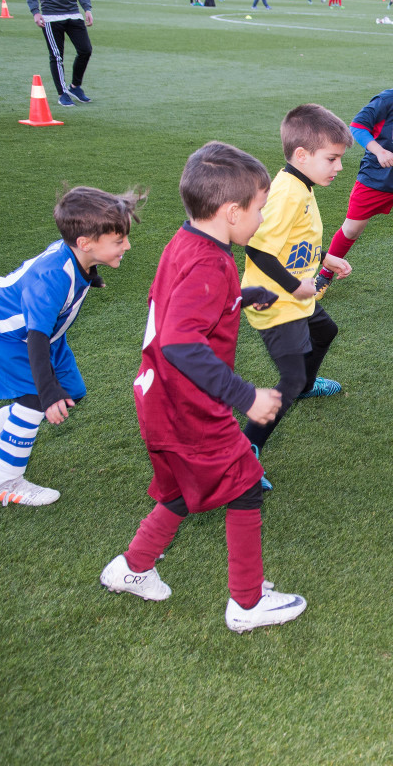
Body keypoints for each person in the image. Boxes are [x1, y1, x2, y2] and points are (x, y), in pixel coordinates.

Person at [99, 142, 308, 633]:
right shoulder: (211, 263)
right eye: (260, 209)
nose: (262, 218)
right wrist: (245, 396)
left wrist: (241, 297)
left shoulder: (188, 243)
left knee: (178, 492)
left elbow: (180, 303)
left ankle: (131, 568)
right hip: (190, 407)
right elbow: (179, 341)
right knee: (245, 488)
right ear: (231, 212)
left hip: (156, 400)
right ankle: (248, 603)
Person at [0, 187, 141, 506]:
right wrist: (45, 393)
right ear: (85, 243)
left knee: (70, 393)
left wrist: (92, 277)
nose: (127, 246)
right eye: (119, 241)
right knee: (39, 398)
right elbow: (35, 340)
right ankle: (6, 482)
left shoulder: (77, 255)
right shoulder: (51, 279)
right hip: (8, 336)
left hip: (46, 335)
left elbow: (70, 283)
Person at [241, 105, 353, 488]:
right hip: (274, 300)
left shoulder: (300, 184)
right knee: (288, 378)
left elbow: (297, 239)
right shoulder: (286, 192)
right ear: (302, 155)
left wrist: (327, 258)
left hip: (294, 295)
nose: (338, 167)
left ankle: (306, 386)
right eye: (332, 159)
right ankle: (245, 451)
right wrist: (293, 285)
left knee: (325, 331)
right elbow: (257, 248)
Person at [316, 42, 393, 292]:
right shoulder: (386, 100)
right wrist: (379, 150)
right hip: (375, 181)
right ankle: (325, 273)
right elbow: (357, 127)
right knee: (351, 231)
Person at [25, 0, 95, 108]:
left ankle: (74, 87)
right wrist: (35, 11)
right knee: (57, 56)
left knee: (85, 50)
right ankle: (62, 93)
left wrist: (87, 8)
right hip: (51, 15)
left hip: (73, 13)